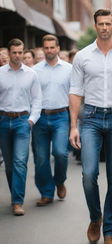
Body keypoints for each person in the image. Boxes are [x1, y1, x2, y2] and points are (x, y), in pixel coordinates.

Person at [69, 9, 112, 244]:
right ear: (95, 26)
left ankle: (109, 231)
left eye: (108, 23)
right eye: (101, 24)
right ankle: (95, 217)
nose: (105, 27)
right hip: (92, 118)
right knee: (88, 175)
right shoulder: (82, 56)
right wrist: (73, 126)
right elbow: (76, 92)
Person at [0, 38, 41, 215]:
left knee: (19, 162)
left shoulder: (31, 74)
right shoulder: (0, 73)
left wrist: (31, 120)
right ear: (8, 53)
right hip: (3, 121)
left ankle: (17, 201)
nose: (17, 56)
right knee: (9, 165)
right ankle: (14, 194)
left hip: (22, 122)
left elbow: (37, 99)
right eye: (14, 52)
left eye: (20, 52)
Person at [32, 34, 72, 206]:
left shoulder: (69, 69)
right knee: (41, 158)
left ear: (57, 48)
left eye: (52, 47)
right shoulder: (35, 70)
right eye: (46, 48)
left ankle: (60, 180)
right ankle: (47, 192)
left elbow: (75, 94)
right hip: (40, 117)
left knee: (60, 153)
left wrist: (75, 121)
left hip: (61, 116)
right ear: (43, 49)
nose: (49, 51)